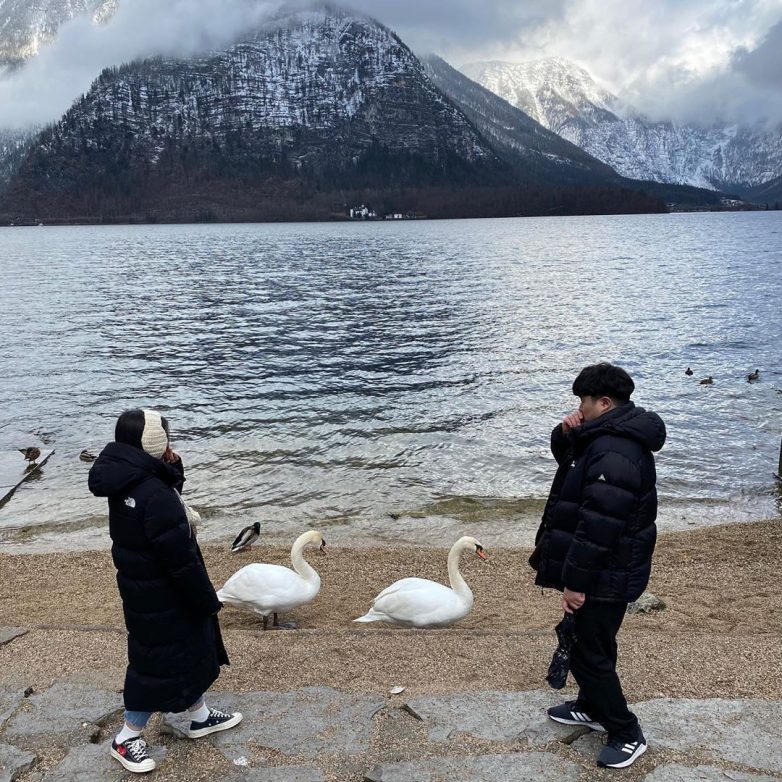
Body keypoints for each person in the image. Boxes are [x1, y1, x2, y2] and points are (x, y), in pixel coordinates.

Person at [88, 409, 241, 774]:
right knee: (155, 663)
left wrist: (173, 469)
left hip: (142, 588)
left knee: (183, 651)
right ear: (154, 443)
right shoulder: (153, 492)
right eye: (165, 437)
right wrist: (205, 598)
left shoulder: (126, 476)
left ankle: (199, 716)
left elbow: (160, 511)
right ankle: (127, 736)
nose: (170, 442)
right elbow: (180, 558)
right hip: (165, 592)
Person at [530, 363, 666, 769]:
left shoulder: (616, 450)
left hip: (608, 570)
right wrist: (565, 432)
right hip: (608, 568)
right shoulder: (605, 436)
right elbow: (572, 469)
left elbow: (598, 528)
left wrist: (575, 583)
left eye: (583, 403)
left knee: (590, 651)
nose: (579, 408)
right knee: (595, 642)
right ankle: (591, 707)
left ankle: (626, 731)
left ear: (604, 403)